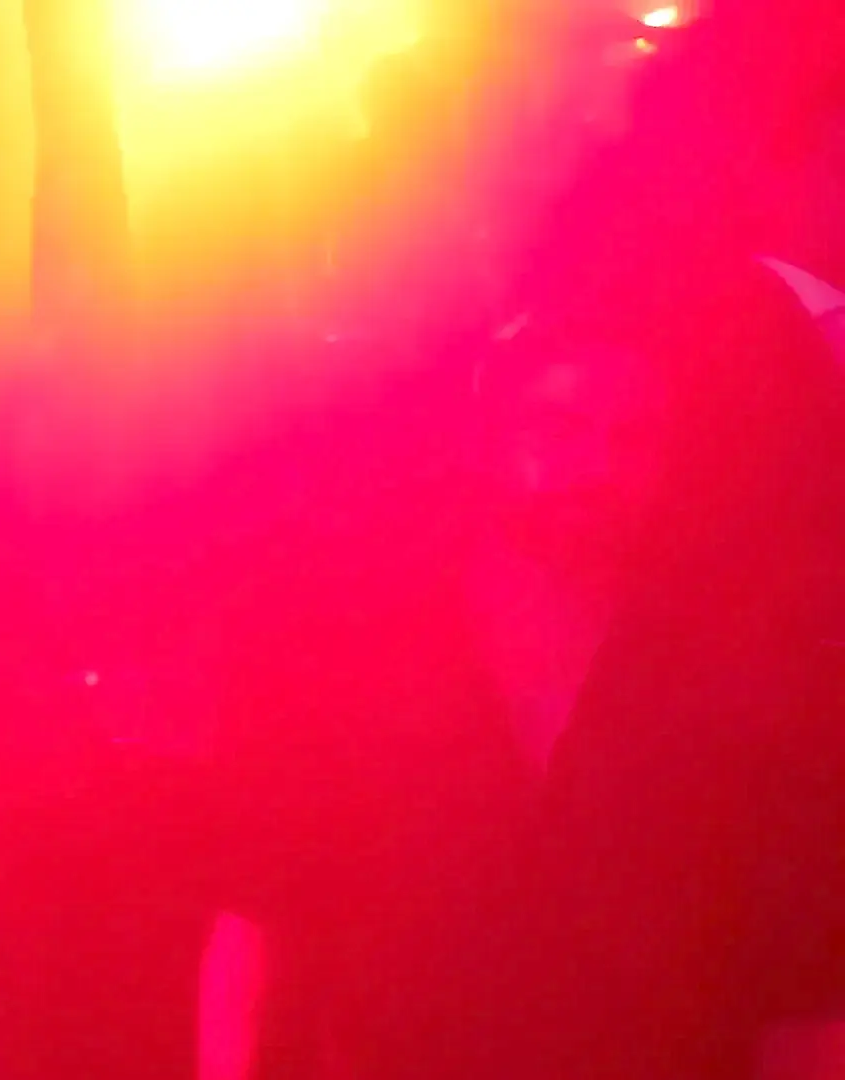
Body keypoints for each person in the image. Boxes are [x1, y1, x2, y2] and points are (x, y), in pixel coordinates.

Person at [195, 237, 845, 1080]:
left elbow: (799, 977)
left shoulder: (721, 684)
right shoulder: (365, 655)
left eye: (631, 440)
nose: (595, 468)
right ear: (493, 439)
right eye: (559, 428)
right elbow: (256, 917)